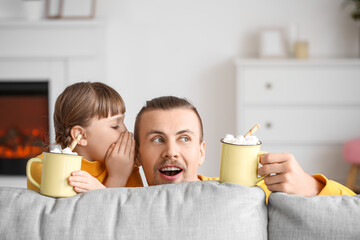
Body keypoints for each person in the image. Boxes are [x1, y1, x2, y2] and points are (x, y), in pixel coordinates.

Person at [133, 96, 355, 198]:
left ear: (201, 152)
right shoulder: (125, 200)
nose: (171, 151)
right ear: (137, 154)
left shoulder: (241, 193)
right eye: (157, 139)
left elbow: (353, 207)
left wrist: (310, 186)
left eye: (184, 138)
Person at [27, 82, 143, 193]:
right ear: (80, 135)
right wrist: (118, 178)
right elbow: (81, 213)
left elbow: (131, 212)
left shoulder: (124, 165)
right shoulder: (47, 168)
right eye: (115, 125)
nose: (126, 132)